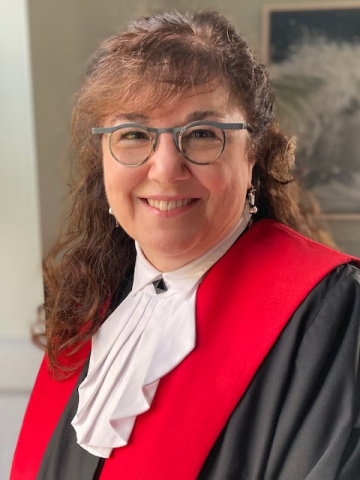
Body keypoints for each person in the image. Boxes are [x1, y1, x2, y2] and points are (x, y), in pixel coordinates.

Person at [11, 10, 360, 480]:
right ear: (104, 160)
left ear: (252, 153)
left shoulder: (330, 312)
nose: (165, 168)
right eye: (134, 135)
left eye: (201, 135)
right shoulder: (90, 300)